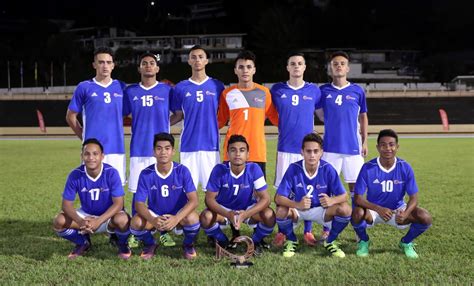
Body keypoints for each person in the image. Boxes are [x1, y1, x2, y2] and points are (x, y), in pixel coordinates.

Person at [271, 52, 325, 247]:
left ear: (304, 68)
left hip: (307, 150)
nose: (296, 66)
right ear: (287, 67)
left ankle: (308, 232)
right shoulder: (277, 90)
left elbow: (321, 115)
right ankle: (282, 231)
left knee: (307, 191)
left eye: (300, 63)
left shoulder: (314, 90)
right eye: (292, 63)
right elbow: (270, 113)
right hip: (285, 148)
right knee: (282, 192)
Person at [351, 129, 432, 259]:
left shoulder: (405, 167)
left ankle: (406, 242)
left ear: (397, 147)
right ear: (378, 147)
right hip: (374, 211)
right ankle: (364, 241)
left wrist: (405, 213)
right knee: (357, 213)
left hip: (397, 210)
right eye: (383, 145)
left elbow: (414, 198)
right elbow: (358, 198)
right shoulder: (368, 167)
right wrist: (378, 209)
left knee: (425, 217)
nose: (387, 148)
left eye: (391, 144)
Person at [275, 133, 351, 258]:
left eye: (316, 151)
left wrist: (332, 200)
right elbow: (278, 198)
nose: (312, 155)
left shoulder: (328, 169)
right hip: (298, 210)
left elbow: (344, 196)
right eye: (308, 151)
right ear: (302, 152)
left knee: (345, 209)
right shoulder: (293, 169)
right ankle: (291, 239)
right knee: (281, 210)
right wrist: (297, 204)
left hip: (321, 210)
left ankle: (330, 240)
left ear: (321, 152)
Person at [52, 138, 131, 260]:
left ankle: (122, 244)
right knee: (59, 221)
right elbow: (66, 205)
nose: (91, 157)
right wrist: (80, 221)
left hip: (107, 216)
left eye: (95, 154)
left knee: (123, 220)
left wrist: (98, 221)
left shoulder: (111, 173)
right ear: (82, 156)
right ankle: (82, 242)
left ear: (102, 156)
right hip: (86, 216)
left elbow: (119, 204)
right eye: (87, 154)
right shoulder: (75, 175)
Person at [200, 135, 276, 255]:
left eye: (242, 150)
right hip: (224, 209)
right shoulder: (219, 170)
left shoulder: (254, 169)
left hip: (247, 209)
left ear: (248, 154)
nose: (237, 154)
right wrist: (228, 214)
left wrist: (246, 214)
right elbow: (209, 199)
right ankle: (223, 241)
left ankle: (254, 242)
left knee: (269, 215)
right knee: (206, 217)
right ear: (228, 154)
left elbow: (266, 198)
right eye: (233, 150)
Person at [130, 133, 200, 260]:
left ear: (173, 151)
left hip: (178, 214)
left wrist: (176, 218)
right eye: (159, 148)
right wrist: (153, 220)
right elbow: (138, 203)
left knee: (193, 218)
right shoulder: (146, 173)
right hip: (156, 214)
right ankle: (150, 244)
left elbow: (194, 200)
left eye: (167, 148)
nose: (163, 152)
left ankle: (188, 244)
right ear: (153, 152)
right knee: (136, 222)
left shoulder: (182, 170)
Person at [66, 47, 127, 185]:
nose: (105, 66)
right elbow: (70, 116)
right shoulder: (84, 87)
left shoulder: (121, 87)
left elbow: (126, 114)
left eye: (108, 62)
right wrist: (83, 136)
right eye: (101, 62)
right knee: (90, 188)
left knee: (116, 191)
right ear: (94, 65)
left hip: (116, 148)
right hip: (93, 151)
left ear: (113, 65)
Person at [170, 45, 225, 191]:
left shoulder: (217, 85)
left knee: (214, 192)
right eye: (193, 57)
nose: (197, 60)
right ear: (188, 61)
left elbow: (225, 113)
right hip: (189, 145)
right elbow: (177, 115)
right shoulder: (180, 88)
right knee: (187, 192)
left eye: (201, 57)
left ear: (207, 61)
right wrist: (159, 127)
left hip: (211, 145)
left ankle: (216, 215)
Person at [218, 50, 279, 177]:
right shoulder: (227, 93)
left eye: (248, 67)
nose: (245, 70)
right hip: (233, 151)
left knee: (259, 194)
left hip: (257, 151)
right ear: (235, 70)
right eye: (241, 67)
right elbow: (219, 122)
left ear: (254, 70)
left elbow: (276, 119)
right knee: (230, 193)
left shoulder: (264, 93)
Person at [317, 51, 368, 202]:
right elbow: (319, 114)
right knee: (326, 187)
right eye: (335, 64)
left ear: (347, 68)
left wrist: (364, 141)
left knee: (356, 188)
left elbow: (363, 116)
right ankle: (328, 223)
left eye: (342, 64)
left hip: (353, 146)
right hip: (329, 147)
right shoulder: (323, 90)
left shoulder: (357, 90)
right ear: (330, 68)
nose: (339, 66)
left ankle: (357, 218)